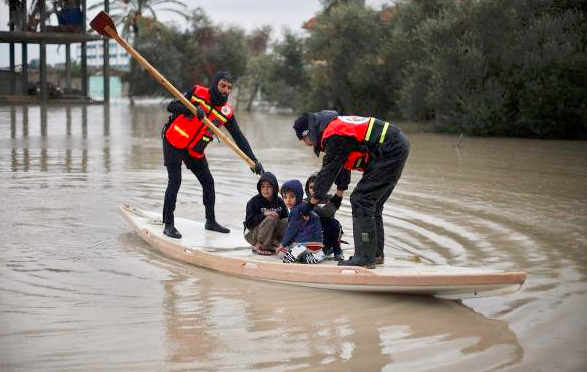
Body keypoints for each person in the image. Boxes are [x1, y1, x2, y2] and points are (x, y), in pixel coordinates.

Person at [293, 111, 409, 269]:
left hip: (389, 150)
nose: (306, 144)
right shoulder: (334, 128)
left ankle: (365, 258)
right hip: (394, 146)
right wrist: (339, 193)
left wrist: (309, 205)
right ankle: (375, 254)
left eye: (304, 139)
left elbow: (327, 173)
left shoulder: (333, 134)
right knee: (373, 204)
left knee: (361, 200)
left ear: (309, 132)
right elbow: (341, 164)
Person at [161, 71, 264, 239]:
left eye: (229, 88)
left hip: (194, 149)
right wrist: (191, 109)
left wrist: (253, 160)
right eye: (223, 85)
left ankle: (210, 221)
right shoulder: (197, 92)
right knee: (175, 181)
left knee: (208, 182)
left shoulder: (227, 111)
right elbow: (171, 106)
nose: (225, 90)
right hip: (174, 141)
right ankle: (168, 224)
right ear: (215, 84)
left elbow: (238, 136)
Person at [277, 180, 324, 264]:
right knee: (304, 257)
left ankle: (297, 249)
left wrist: (282, 244)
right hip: (317, 245)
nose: (288, 200)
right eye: (285, 197)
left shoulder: (296, 211)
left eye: (292, 197)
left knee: (281, 253)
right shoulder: (305, 206)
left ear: (298, 196)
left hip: (305, 243)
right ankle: (318, 255)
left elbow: (291, 231)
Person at [243, 172, 289, 255]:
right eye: (263, 186)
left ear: (274, 188)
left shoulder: (280, 201)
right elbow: (249, 223)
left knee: (287, 221)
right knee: (271, 218)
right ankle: (259, 246)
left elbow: (286, 220)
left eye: (269, 186)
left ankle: (274, 242)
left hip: (270, 233)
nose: (265, 189)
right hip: (252, 234)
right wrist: (264, 214)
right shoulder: (253, 202)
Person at [304, 173, 345, 261]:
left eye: (317, 186)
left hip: (328, 231)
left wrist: (312, 209)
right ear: (307, 189)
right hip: (313, 235)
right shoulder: (304, 201)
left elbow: (329, 213)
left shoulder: (329, 198)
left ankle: (337, 250)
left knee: (334, 223)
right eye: (311, 187)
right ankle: (320, 249)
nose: (314, 190)